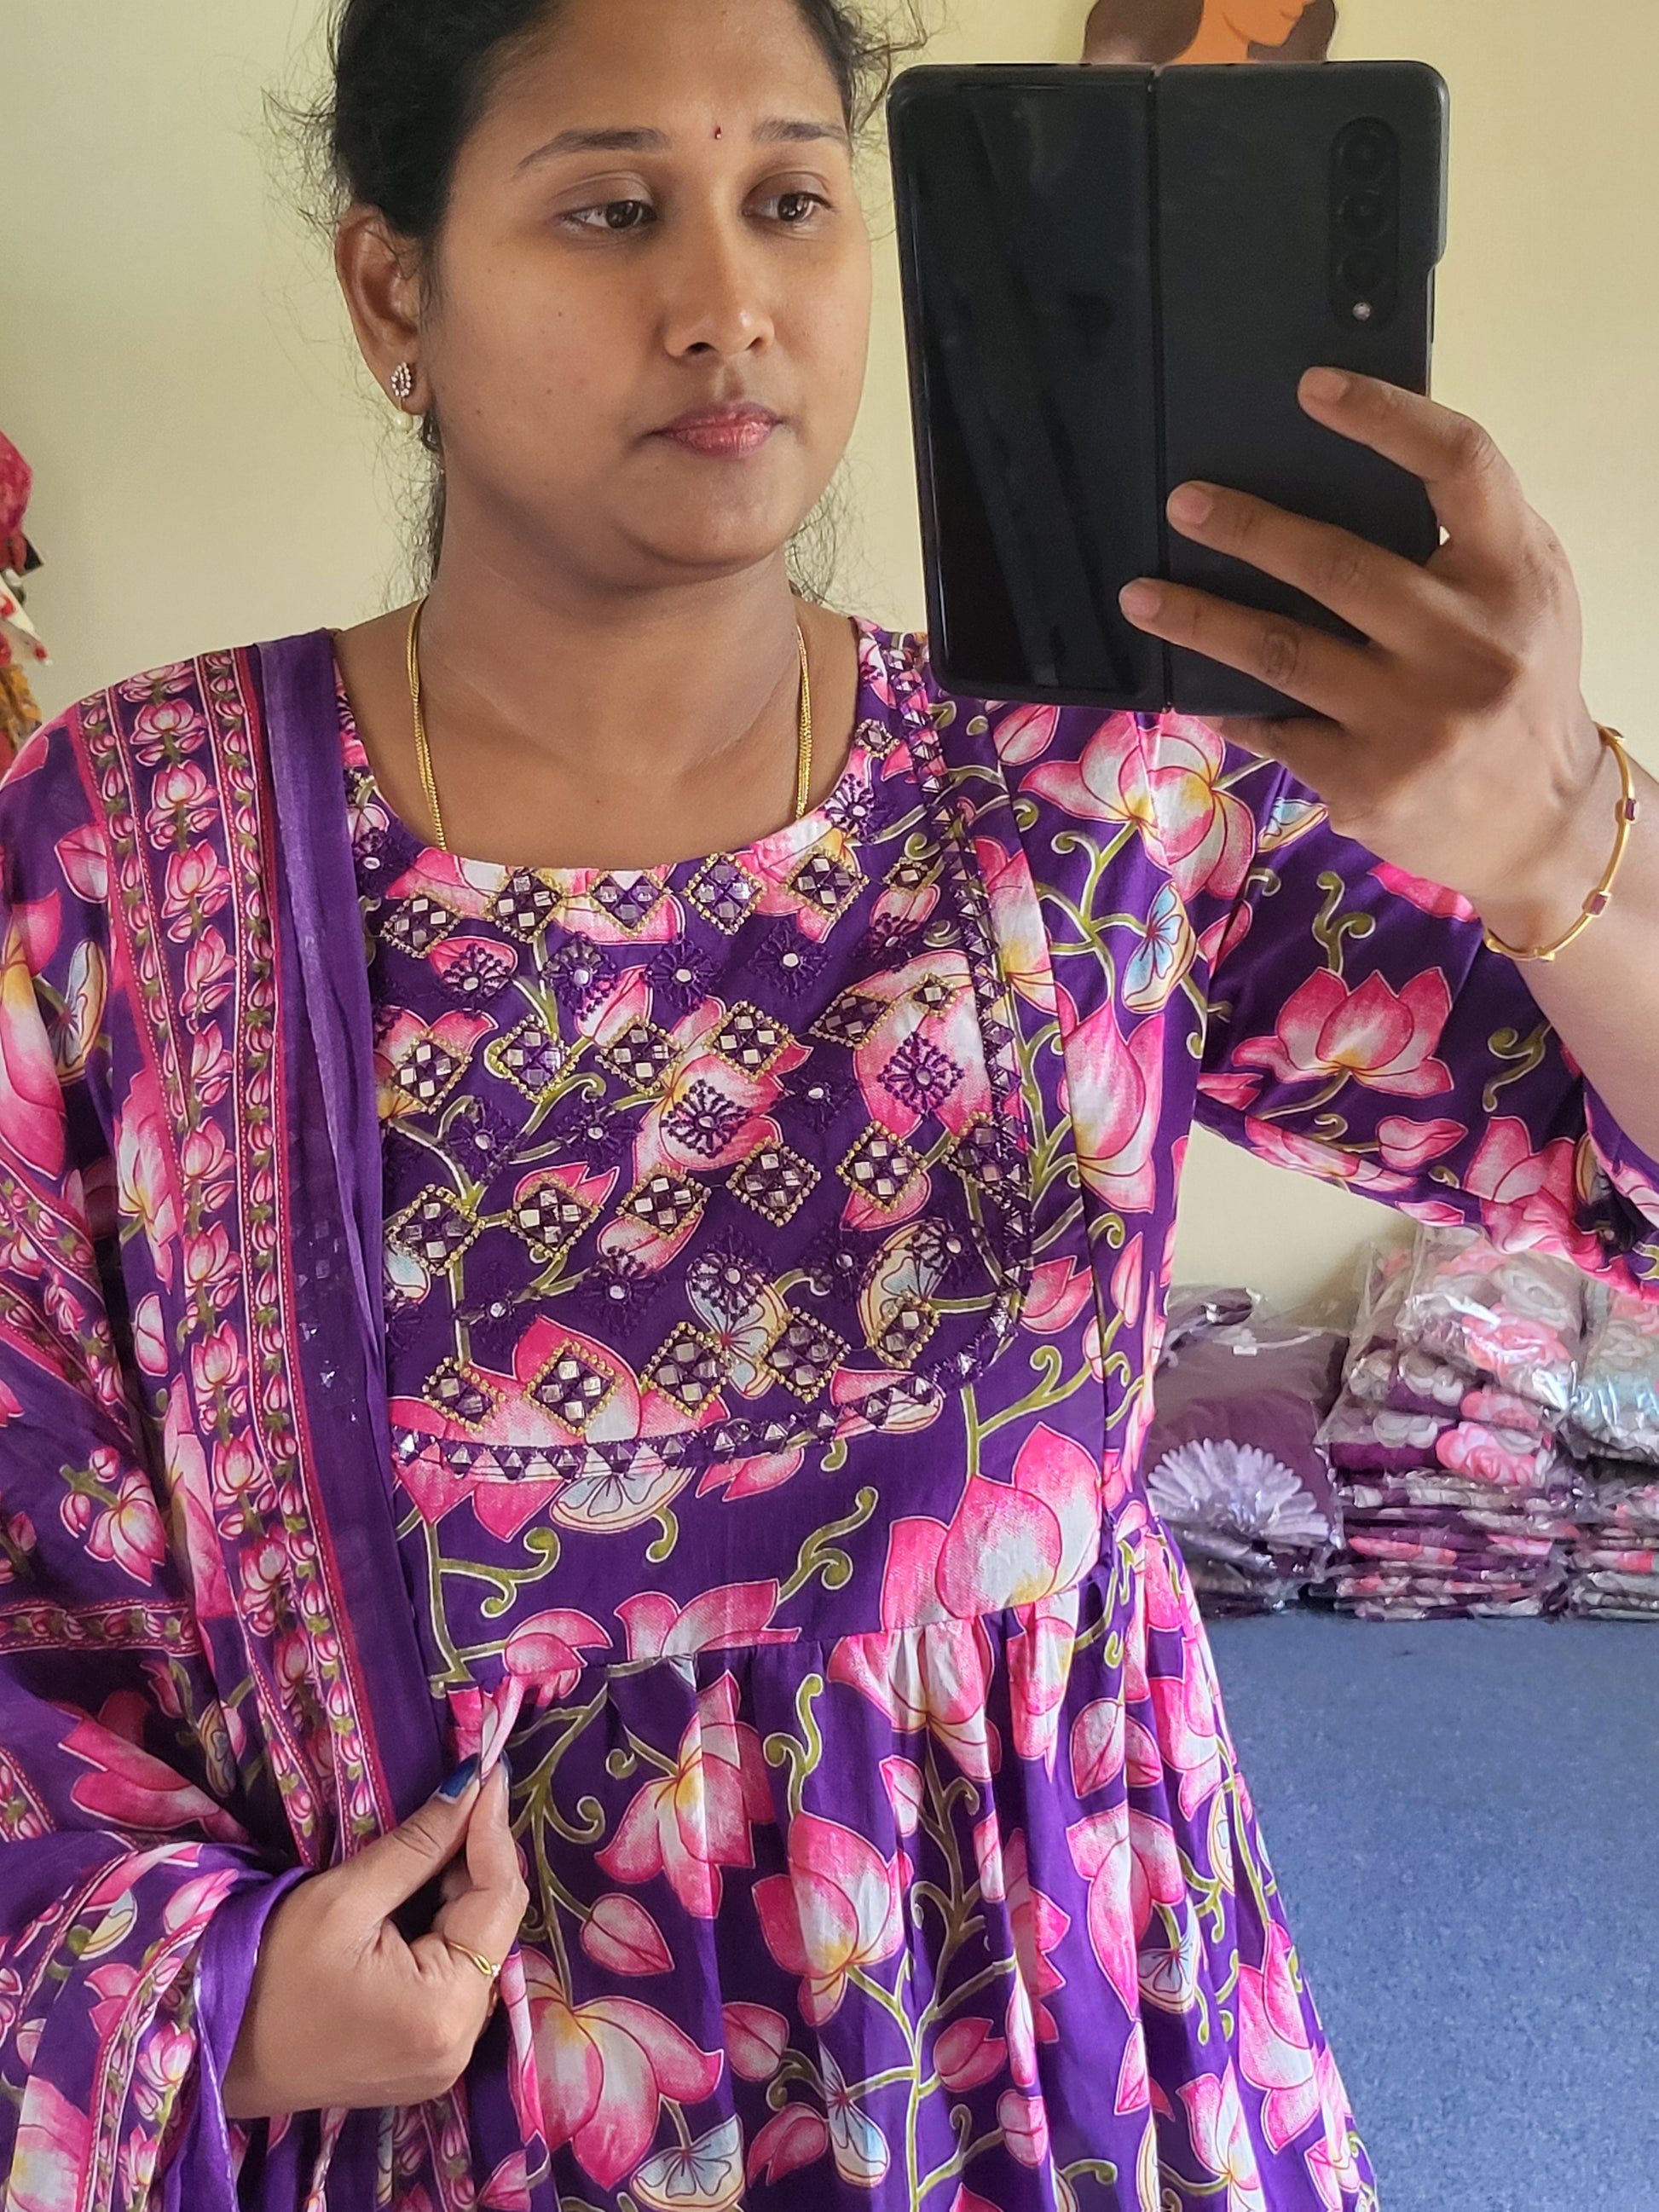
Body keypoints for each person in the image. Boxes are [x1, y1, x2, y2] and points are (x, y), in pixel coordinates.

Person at [1, 1, 1656, 2207]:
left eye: (789, 196)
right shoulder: (125, 852)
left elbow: (1621, 1176)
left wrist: (1567, 848)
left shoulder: (1088, 786)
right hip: (452, 2112)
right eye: (612, 210)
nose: (728, 302)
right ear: (395, 287)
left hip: (1064, 2066)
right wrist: (206, 1994)